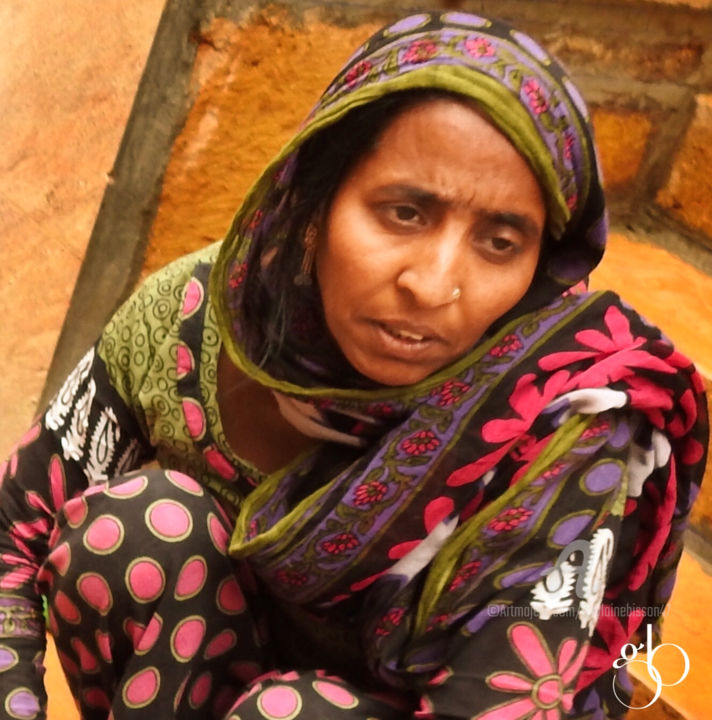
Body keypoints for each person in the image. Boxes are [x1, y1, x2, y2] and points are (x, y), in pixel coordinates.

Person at [0, 9, 707, 720]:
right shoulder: (200, 319)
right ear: (316, 197)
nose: (432, 286)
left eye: (499, 242)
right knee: (141, 530)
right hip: (201, 679)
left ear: (542, 267)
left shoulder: (571, 418)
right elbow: (11, 531)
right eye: (404, 212)